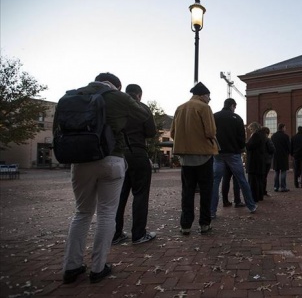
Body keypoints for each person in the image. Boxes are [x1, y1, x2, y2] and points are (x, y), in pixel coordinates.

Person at [61, 72, 150, 284]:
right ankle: (98, 268)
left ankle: (71, 267)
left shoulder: (74, 95)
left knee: (81, 213)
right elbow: (143, 115)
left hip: (80, 160)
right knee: (106, 213)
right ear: (116, 85)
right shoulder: (117, 96)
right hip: (111, 158)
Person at [170, 82, 218, 235]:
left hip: (185, 157)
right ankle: (204, 223)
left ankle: (185, 225)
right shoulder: (204, 107)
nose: (209, 99)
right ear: (204, 95)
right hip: (203, 155)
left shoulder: (179, 108)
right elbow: (210, 132)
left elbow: (172, 134)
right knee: (206, 190)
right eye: (209, 96)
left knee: (187, 191)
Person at [112, 84, 157, 246]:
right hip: (137, 153)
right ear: (139, 95)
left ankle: (115, 234)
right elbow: (151, 132)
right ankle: (138, 234)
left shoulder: (116, 107)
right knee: (140, 194)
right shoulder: (141, 107)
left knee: (119, 196)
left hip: (118, 155)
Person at [211, 98, 258, 218]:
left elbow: (210, 133)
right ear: (232, 106)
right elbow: (241, 138)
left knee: (215, 181)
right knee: (242, 179)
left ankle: (212, 211)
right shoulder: (237, 118)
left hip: (218, 153)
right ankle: (251, 205)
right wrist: (240, 148)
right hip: (233, 153)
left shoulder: (214, 116)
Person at [246, 122, 268, 202]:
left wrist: (245, 144)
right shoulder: (262, 135)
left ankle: (254, 197)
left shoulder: (256, 135)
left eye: (251, 129)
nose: (250, 131)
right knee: (259, 180)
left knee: (253, 181)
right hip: (259, 161)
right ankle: (259, 196)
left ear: (254, 128)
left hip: (254, 161)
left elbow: (250, 146)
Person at [271, 123, 290, 192]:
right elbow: (288, 147)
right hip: (284, 156)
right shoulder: (286, 136)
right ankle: (283, 187)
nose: (285, 129)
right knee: (283, 171)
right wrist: (288, 153)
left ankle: (276, 187)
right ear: (282, 128)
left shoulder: (273, 136)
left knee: (276, 171)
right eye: (285, 127)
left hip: (275, 156)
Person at [261, 126, 275, 196]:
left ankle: (260, 191)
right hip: (267, 160)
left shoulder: (258, 139)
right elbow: (272, 149)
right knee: (264, 176)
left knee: (260, 176)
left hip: (260, 160)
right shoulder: (267, 140)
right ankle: (263, 191)